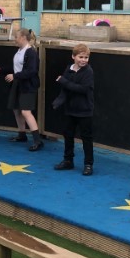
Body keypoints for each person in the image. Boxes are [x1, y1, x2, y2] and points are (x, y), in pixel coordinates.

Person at [0, 27, 44, 151]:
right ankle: (22, 134)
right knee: (17, 109)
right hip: (18, 84)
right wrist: (3, 70)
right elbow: (17, 68)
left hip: (28, 85)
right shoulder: (19, 51)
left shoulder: (31, 53)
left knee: (26, 112)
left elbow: (31, 71)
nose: (15, 39)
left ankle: (37, 140)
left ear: (23, 38)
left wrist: (15, 76)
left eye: (16, 37)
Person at [52, 43, 96, 176]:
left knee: (86, 138)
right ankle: (68, 160)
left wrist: (64, 81)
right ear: (73, 57)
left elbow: (82, 89)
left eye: (86, 57)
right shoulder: (68, 69)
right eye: (81, 57)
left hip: (85, 110)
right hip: (70, 109)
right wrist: (58, 101)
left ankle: (88, 164)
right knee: (68, 134)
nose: (83, 60)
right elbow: (65, 89)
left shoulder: (88, 71)